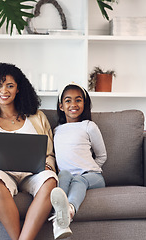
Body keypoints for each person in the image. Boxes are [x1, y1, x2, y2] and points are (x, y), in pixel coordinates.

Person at [0, 62, 58, 240]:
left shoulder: (37, 117)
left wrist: (48, 167)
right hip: (1, 174)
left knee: (50, 180)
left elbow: (49, 153)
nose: (4, 90)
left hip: (32, 174)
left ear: (18, 89)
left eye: (10, 85)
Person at [50, 83, 107, 239]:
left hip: (92, 176)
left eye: (78, 100)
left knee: (79, 180)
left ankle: (69, 211)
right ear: (61, 106)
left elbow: (102, 156)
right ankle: (58, 213)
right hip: (68, 175)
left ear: (85, 104)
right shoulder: (57, 130)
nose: (73, 104)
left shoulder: (89, 126)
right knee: (63, 176)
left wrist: (90, 169)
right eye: (68, 101)